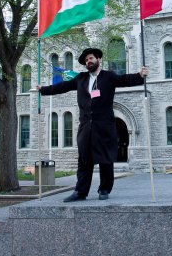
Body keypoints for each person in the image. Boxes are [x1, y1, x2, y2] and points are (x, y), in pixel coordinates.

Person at [38, 47, 148, 202]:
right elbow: (63, 86)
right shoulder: (81, 78)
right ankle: (80, 192)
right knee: (84, 160)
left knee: (105, 160)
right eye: (86, 60)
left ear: (98, 59)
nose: (89, 61)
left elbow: (124, 80)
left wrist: (139, 76)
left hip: (104, 127)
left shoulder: (108, 77)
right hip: (86, 127)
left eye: (91, 58)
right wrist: (43, 89)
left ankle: (104, 189)